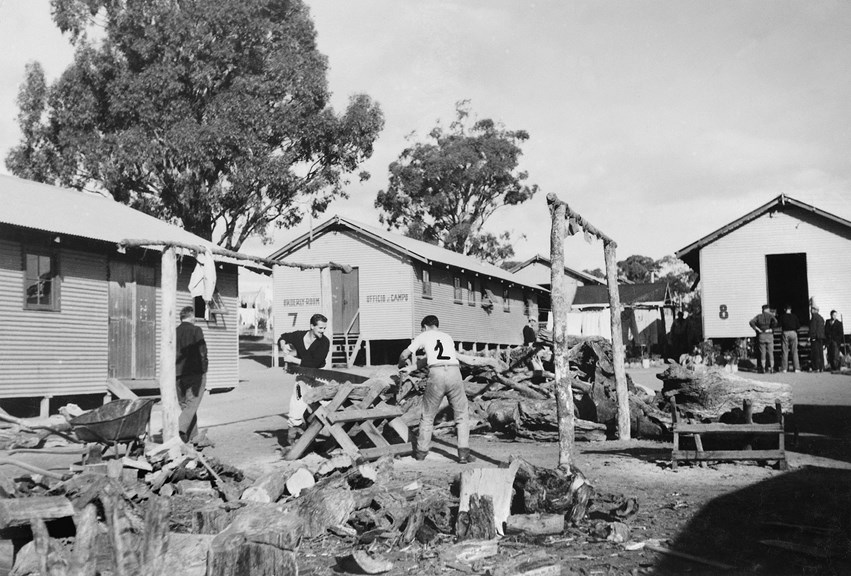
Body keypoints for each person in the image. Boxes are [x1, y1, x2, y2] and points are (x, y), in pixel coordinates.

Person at [398, 315, 472, 463]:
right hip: (454, 372)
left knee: (428, 415)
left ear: (425, 326)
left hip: (437, 374)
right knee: (461, 415)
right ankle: (463, 453)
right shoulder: (447, 337)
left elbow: (405, 354)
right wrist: (413, 368)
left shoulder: (424, 335)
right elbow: (437, 357)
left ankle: (421, 452)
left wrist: (401, 364)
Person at [278, 313, 330, 444]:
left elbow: (314, 363)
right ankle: (294, 432)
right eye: (320, 328)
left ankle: (309, 419)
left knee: (327, 403)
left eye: (324, 328)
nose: (323, 331)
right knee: (297, 400)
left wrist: (292, 359)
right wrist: (283, 346)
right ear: (312, 326)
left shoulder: (324, 342)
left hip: (319, 375)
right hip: (303, 375)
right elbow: (283, 337)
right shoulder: (299, 336)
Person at [175, 305, 208, 443]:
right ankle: (178, 428)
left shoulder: (174, 331)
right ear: (191, 316)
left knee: (185, 405)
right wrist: (204, 368)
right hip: (195, 373)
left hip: (177, 374)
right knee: (192, 404)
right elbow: (202, 351)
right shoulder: (196, 330)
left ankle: (193, 438)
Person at [749, 304, 777, 373]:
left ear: (763, 310)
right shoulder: (771, 316)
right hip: (769, 335)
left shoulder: (759, 316)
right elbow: (776, 322)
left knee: (763, 353)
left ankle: (763, 368)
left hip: (761, 335)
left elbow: (751, 322)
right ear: (767, 309)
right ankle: (772, 368)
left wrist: (757, 329)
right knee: (770, 352)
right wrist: (771, 329)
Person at [778, 305, 800, 373]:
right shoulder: (794, 316)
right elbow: (798, 326)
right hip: (793, 333)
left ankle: (784, 368)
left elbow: (779, 325)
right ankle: (796, 368)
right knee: (794, 351)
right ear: (791, 309)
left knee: (785, 351)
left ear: (785, 309)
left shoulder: (782, 316)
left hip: (785, 333)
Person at [809, 305, 826, 372]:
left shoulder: (814, 317)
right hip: (821, 337)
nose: (811, 311)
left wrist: (811, 336)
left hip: (815, 337)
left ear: (815, 310)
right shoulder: (821, 318)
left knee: (815, 353)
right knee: (820, 352)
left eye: (812, 310)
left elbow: (813, 328)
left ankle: (816, 367)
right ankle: (821, 367)